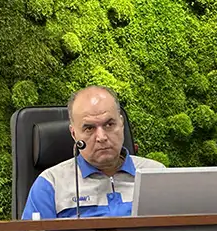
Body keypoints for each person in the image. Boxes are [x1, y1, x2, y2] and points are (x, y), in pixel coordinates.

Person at [23, 86, 164, 219]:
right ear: (74, 134)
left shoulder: (157, 174)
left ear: (121, 124)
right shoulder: (51, 183)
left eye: (109, 124)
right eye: (89, 128)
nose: (101, 137)